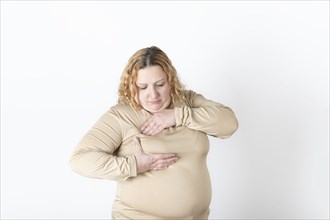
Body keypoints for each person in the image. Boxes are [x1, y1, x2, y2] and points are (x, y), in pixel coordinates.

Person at [69, 46, 238, 219]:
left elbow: (229, 124)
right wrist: (134, 165)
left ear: (171, 81)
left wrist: (177, 115)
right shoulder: (121, 116)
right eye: (143, 87)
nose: (153, 95)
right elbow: (79, 159)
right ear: (131, 87)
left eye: (160, 84)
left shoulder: (186, 101)